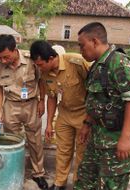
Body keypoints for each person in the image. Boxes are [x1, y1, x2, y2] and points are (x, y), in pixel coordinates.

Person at [74, 22, 130, 190]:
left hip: (115, 142)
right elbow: (98, 100)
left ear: (95, 41)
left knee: (111, 185)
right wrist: (87, 124)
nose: (81, 50)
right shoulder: (97, 66)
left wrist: (125, 138)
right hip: (97, 138)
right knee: (85, 181)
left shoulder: (119, 63)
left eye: (82, 46)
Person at [0, 34, 48, 190]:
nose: (3, 60)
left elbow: (41, 81)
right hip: (11, 106)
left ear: (15, 50)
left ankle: (39, 174)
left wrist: (42, 100)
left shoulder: (31, 60)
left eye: (6, 57)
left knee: (35, 141)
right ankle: (15, 172)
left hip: (31, 105)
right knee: (12, 142)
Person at [30, 40, 90, 190]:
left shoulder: (76, 62)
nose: (39, 68)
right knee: (62, 151)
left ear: (51, 59)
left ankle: (79, 184)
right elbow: (51, 97)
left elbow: (94, 89)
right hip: (64, 114)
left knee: (82, 153)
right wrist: (49, 123)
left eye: (40, 64)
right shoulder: (45, 73)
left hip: (84, 114)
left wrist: (89, 121)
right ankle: (59, 183)